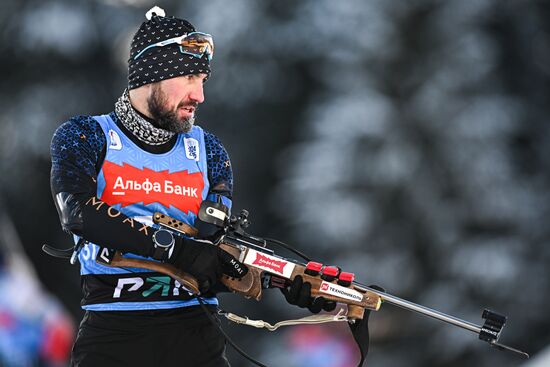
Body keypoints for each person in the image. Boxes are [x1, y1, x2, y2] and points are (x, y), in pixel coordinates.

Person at [50, 6, 334, 367]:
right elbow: (77, 213)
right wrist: (175, 250)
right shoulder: (86, 135)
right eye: (188, 78)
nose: (198, 96)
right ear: (149, 76)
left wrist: (289, 282)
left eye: (202, 80)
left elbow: (211, 252)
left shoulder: (208, 150)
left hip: (194, 333)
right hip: (114, 331)